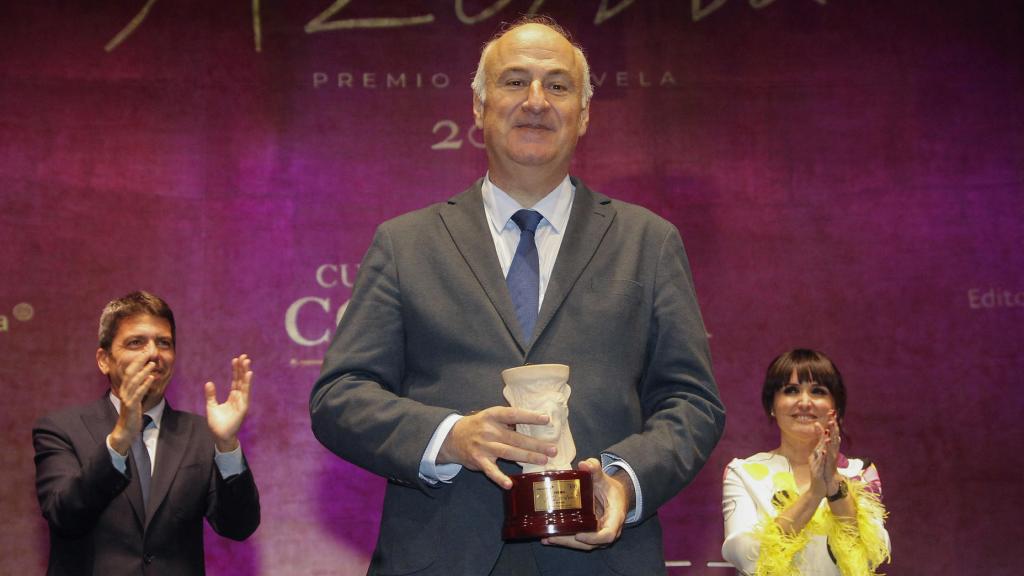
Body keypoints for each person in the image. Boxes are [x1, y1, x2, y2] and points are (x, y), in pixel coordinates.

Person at [310, 16, 724, 576]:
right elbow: (339, 397)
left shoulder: (648, 242)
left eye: (558, 85)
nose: (536, 101)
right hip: (441, 557)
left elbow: (693, 403)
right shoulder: (405, 243)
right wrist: (450, 437)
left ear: (583, 115)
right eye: (514, 81)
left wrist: (625, 479)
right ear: (478, 108)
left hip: (600, 557)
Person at [33, 291, 260, 575]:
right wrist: (118, 441)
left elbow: (238, 526)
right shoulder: (61, 429)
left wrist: (226, 445)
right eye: (136, 342)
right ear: (104, 359)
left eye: (163, 343)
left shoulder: (201, 434)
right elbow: (63, 515)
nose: (153, 353)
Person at [721, 349, 890, 575]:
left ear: (835, 407)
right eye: (791, 390)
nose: (804, 402)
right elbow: (748, 558)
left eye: (818, 391)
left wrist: (832, 484)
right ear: (772, 405)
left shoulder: (861, 472)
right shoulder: (743, 473)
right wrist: (814, 494)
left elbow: (871, 554)